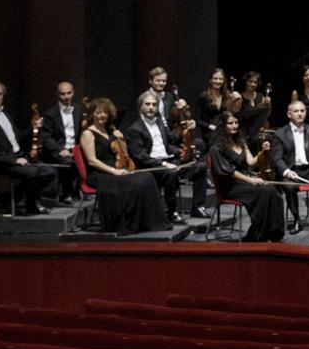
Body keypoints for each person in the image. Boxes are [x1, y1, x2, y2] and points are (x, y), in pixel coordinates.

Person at [77, 99, 170, 234]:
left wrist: (120, 139)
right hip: (100, 174)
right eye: (98, 112)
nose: (102, 115)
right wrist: (114, 171)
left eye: (105, 112)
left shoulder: (109, 131)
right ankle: (128, 223)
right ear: (92, 114)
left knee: (147, 177)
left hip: (116, 169)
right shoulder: (88, 134)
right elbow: (92, 161)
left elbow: (121, 152)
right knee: (139, 182)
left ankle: (147, 222)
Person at [125, 91, 204, 224]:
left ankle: (197, 206)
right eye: (148, 104)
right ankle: (172, 212)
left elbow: (171, 140)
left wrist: (186, 128)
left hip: (168, 160)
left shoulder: (160, 122)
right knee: (171, 174)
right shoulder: (135, 129)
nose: (151, 107)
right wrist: (163, 164)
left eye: (154, 105)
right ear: (141, 107)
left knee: (200, 166)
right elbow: (140, 157)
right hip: (150, 167)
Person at [209, 111, 285, 243]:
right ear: (222, 125)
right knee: (265, 191)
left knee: (273, 190)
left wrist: (262, 152)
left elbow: (250, 162)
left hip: (245, 182)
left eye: (236, 123)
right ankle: (257, 233)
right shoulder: (216, 148)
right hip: (231, 186)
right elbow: (229, 172)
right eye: (230, 123)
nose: (234, 126)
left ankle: (273, 231)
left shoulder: (240, 141)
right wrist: (251, 180)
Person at [270, 99, 309, 232]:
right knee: (289, 186)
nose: (300, 114)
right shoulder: (279, 134)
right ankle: (296, 219)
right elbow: (277, 158)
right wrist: (287, 171)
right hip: (292, 171)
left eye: (302, 111)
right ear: (289, 114)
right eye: (296, 111)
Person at [39, 81, 86, 204]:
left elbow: (80, 132)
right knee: (69, 163)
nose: (66, 97)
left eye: (69, 93)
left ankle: (78, 189)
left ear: (73, 93)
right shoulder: (50, 114)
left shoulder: (78, 110)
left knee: (91, 158)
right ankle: (66, 193)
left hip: (74, 148)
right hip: (58, 149)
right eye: (63, 94)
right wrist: (60, 150)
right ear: (57, 94)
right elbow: (46, 137)